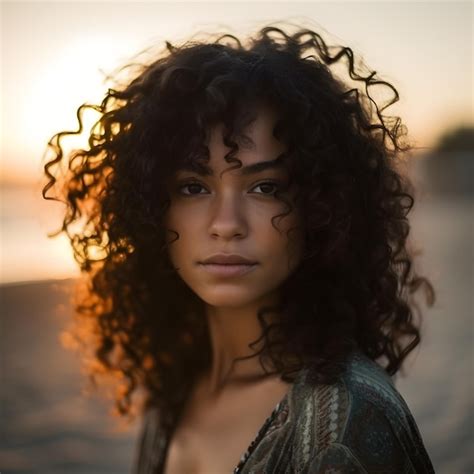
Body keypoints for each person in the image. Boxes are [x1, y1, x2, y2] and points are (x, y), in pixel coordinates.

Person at [42, 24, 436, 473]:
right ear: (151, 206)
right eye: (193, 187)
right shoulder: (176, 387)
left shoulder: (348, 424)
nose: (226, 225)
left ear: (321, 207)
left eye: (265, 187)